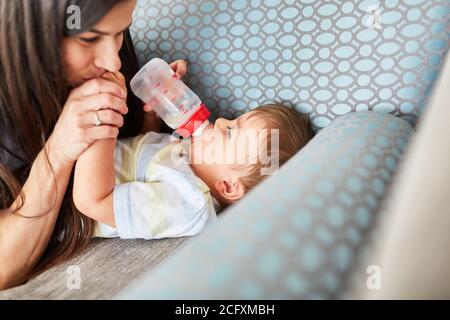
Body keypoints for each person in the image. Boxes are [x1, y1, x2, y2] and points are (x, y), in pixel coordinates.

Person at [0, 0, 185, 289]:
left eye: (122, 30)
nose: (114, 62)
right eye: (88, 38)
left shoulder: (108, 56)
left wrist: (152, 118)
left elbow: (124, 155)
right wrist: (59, 149)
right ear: (27, 33)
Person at [73, 96, 314, 239]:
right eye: (233, 120)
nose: (220, 121)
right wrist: (153, 118)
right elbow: (139, 162)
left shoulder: (188, 203)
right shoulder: (193, 156)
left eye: (230, 132)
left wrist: (102, 124)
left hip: (65, 209)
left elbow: (93, 202)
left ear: (229, 186)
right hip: (73, 158)